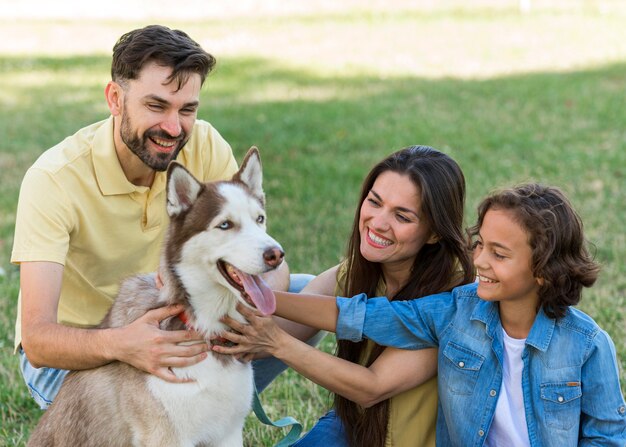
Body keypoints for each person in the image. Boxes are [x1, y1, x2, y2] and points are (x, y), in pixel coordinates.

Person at [11, 24, 313, 410]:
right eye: (156, 106)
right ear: (115, 98)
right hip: (84, 353)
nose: (173, 128)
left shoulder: (204, 144)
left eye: (187, 109)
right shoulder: (53, 179)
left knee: (304, 294)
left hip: (189, 322)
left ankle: (211, 405)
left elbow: (262, 263)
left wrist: (256, 313)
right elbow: (38, 341)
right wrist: (125, 345)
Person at [243, 183, 626, 446]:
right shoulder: (457, 311)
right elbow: (368, 317)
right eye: (480, 245)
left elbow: (607, 437)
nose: (480, 261)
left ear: (543, 271)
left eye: (499, 254)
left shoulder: (587, 347)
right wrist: (264, 299)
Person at [216, 146, 475, 446]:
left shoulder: (454, 299)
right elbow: (284, 324)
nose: (377, 222)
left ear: (434, 233)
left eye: (402, 217)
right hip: (356, 428)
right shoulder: (357, 271)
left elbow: (371, 387)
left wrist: (275, 341)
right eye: (374, 202)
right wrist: (225, 307)